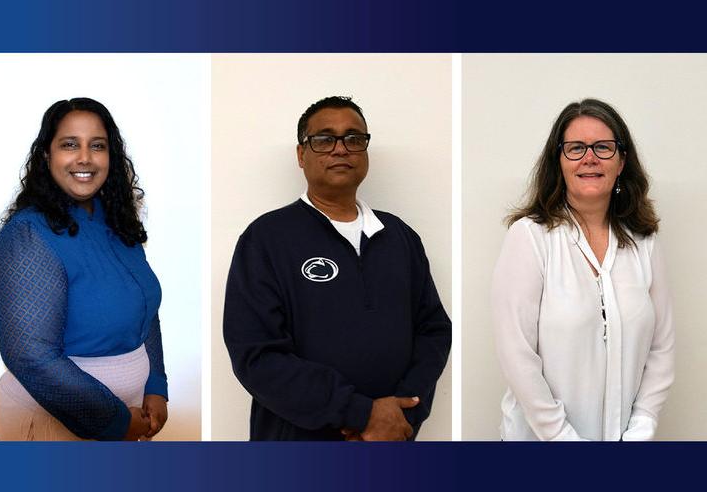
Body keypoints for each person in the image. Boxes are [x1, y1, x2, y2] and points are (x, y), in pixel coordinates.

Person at [223, 96, 451, 441]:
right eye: (325, 139)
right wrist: (360, 414)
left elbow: (433, 331)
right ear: (302, 155)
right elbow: (256, 356)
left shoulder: (400, 238)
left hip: (392, 439)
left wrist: (401, 414)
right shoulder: (266, 239)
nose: (341, 149)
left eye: (354, 139)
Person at [492, 98, 674, 441]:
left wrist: (643, 425)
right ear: (558, 161)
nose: (589, 158)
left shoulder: (644, 243)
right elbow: (517, 354)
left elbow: (661, 348)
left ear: (622, 162)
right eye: (576, 148)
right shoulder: (530, 237)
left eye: (603, 147)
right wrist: (561, 436)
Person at [0, 97, 168, 441]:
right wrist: (114, 420)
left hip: (129, 413)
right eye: (69, 144)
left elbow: (144, 311)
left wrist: (156, 385)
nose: (84, 157)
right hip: (55, 419)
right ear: (46, 155)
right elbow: (31, 357)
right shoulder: (29, 236)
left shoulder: (118, 224)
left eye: (97, 146)